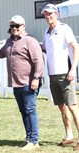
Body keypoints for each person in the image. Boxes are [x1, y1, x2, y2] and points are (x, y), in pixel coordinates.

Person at [0, 15, 44, 150]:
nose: (14, 28)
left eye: (17, 26)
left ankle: (34, 140)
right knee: (24, 111)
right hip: (16, 83)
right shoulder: (9, 41)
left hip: (28, 82)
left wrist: (36, 78)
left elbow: (38, 61)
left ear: (23, 26)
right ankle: (29, 138)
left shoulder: (30, 41)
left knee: (30, 110)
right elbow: (0, 53)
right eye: (12, 26)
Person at [41, 4, 79, 151]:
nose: (47, 16)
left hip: (66, 74)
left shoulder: (64, 28)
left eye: (50, 13)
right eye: (45, 14)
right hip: (52, 75)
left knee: (72, 107)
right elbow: (44, 48)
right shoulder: (46, 31)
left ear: (57, 14)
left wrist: (73, 69)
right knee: (62, 108)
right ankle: (69, 136)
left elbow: (76, 47)